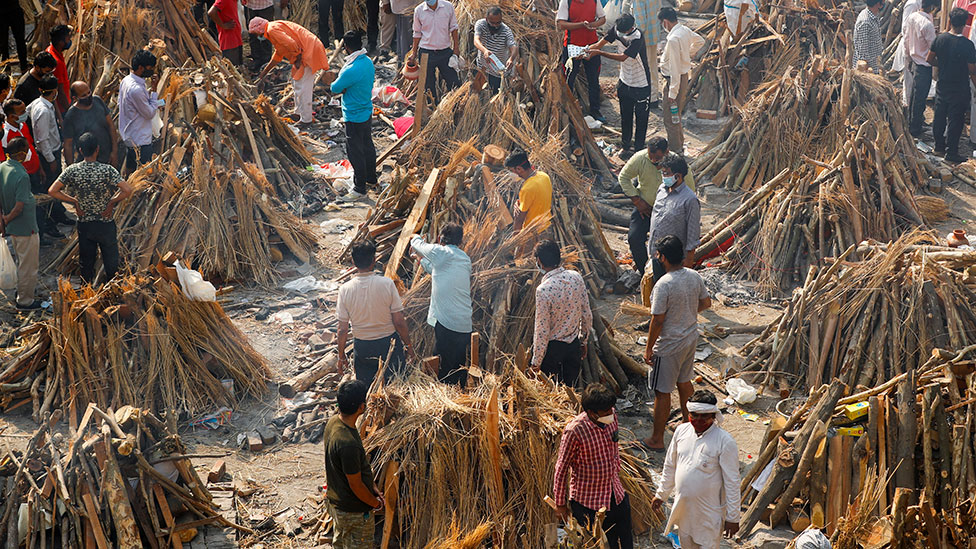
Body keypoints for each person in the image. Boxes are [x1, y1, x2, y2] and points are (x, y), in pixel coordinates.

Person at [641, 234, 710, 451]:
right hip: (690, 338)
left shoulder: (664, 284)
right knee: (684, 383)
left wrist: (649, 347)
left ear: (662, 257)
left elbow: (658, 320)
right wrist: (687, 313)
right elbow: (706, 303)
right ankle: (689, 428)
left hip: (669, 345)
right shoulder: (693, 276)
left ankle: (657, 439)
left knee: (662, 393)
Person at [653, 390, 740, 549]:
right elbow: (670, 465)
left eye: (704, 416)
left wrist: (733, 518)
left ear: (713, 416)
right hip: (684, 510)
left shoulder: (725, 441)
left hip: (709, 514)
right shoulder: (681, 431)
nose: (698, 420)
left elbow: (732, 482)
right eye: (694, 415)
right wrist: (661, 494)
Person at [553, 383, 633, 548]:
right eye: (606, 412)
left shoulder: (611, 417)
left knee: (624, 541)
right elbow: (561, 468)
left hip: (614, 493)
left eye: (612, 409)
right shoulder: (575, 431)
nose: (611, 413)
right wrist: (560, 505)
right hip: (588, 502)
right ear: (591, 413)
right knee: (594, 544)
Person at [49, 133, 132, 283]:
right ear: (97, 149)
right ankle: (112, 292)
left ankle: (86, 293)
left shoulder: (72, 170)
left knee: (86, 263)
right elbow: (127, 190)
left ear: (80, 150)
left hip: (85, 224)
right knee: (111, 262)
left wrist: (73, 200)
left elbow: (52, 191)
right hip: (105, 223)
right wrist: (111, 202)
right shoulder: (108, 170)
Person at [336, 240, 416, 385]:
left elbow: (342, 330)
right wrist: (408, 346)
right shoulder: (387, 284)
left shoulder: (345, 289)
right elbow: (399, 321)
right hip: (388, 345)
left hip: (362, 347)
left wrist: (341, 357)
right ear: (374, 260)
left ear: (353, 262)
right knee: (396, 388)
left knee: (367, 390)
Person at [620, 137, 697, 276]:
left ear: (666, 152)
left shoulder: (677, 163)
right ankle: (645, 272)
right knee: (634, 237)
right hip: (646, 208)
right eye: (651, 157)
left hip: (671, 213)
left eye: (657, 158)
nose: (654, 161)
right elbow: (623, 177)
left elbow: (689, 192)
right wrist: (637, 201)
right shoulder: (640, 158)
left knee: (669, 248)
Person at [409, 222, 473, 386]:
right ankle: (461, 395)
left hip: (447, 323)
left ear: (439, 239)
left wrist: (414, 237)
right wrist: (419, 260)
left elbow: (419, 245)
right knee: (459, 365)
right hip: (465, 324)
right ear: (460, 242)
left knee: (443, 365)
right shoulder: (464, 259)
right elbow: (438, 270)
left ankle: (445, 398)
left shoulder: (440, 251)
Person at [323, 379, 384, 548]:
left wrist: (372, 486)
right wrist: (375, 504)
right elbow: (356, 485)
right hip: (353, 511)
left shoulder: (334, 422)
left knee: (341, 543)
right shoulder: (347, 444)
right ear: (361, 408)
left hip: (338, 504)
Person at [586, 14, 651, 157]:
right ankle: (626, 146)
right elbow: (599, 44)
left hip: (641, 84)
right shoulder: (617, 29)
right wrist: (587, 50)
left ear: (631, 27)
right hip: (624, 82)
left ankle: (639, 151)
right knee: (625, 117)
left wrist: (599, 53)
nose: (620, 34)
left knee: (641, 121)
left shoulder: (637, 37)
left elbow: (623, 57)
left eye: (624, 32)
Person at [532, 239, 592, 385]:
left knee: (554, 396)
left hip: (553, 351)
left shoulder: (544, 290)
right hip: (573, 346)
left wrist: (536, 361)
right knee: (571, 390)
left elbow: (542, 330)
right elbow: (587, 314)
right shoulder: (576, 277)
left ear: (539, 261)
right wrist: (584, 341)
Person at [250, 17, 330, 125]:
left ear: (259, 28)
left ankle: (306, 120)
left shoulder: (271, 29)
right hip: (305, 50)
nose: (256, 36)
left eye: (255, 33)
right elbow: (278, 55)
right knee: (297, 83)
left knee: (304, 87)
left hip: (308, 50)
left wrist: (297, 58)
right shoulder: (272, 29)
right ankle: (298, 113)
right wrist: (263, 73)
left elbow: (291, 43)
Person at [330, 31, 377, 202]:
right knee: (367, 146)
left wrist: (341, 86)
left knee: (355, 151)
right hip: (366, 110)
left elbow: (335, 87)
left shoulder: (351, 69)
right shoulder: (367, 62)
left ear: (346, 47)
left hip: (353, 114)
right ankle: (371, 179)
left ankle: (359, 188)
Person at [2, 99, 59, 241]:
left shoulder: (23, 126)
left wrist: (40, 168)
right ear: (11, 116)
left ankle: (41, 233)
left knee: (39, 206)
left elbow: (31, 147)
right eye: (21, 112)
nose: (25, 114)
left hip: (34, 172)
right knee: (27, 208)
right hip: (22, 178)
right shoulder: (5, 135)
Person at [928, 7, 976, 163]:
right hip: (960, 88)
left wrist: (942, 64)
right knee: (956, 120)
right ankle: (952, 152)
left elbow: (929, 59)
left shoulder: (940, 39)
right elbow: (972, 70)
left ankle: (938, 147)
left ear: (949, 21)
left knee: (940, 116)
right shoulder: (967, 45)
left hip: (943, 84)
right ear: (964, 24)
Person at [645, 154, 699, 282]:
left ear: (678, 176)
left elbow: (693, 233)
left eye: (667, 173)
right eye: (662, 173)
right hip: (656, 253)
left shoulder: (690, 199)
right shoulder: (661, 190)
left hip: (674, 260)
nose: (664, 176)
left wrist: (688, 261)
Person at [0, 138, 41, 309]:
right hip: (26, 227)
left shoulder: (2, 167)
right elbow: (19, 206)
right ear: (22, 153)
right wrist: (8, 218)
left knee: (21, 261)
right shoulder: (22, 175)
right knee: (28, 267)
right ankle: (25, 300)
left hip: (13, 228)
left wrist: (4, 222)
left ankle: (22, 291)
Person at [659, 7, 703, 154]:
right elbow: (700, 41)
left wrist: (672, 93)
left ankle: (675, 150)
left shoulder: (673, 39)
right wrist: (686, 55)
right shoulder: (683, 30)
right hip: (683, 77)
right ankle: (679, 145)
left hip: (674, 80)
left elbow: (675, 70)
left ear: (665, 22)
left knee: (670, 119)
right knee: (675, 116)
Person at [557, 0, 606, 121]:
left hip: (591, 45)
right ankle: (567, 111)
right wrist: (581, 25)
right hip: (572, 44)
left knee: (593, 79)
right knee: (569, 79)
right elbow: (561, 24)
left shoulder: (594, 1)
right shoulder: (567, 2)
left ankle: (595, 111)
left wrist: (593, 25)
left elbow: (602, 18)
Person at [408, 0, 461, 102]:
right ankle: (432, 110)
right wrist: (414, 53)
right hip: (426, 53)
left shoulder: (447, 7)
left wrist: (456, 48)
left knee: (453, 82)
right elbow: (417, 33)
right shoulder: (419, 10)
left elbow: (454, 28)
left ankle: (455, 107)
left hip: (445, 51)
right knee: (428, 85)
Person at [118, 50, 161, 172]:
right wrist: (154, 90)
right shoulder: (136, 89)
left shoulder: (126, 81)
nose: (152, 70)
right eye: (150, 68)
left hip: (131, 137)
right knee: (144, 175)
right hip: (140, 140)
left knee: (131, 171)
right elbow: (149, 114)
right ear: (141, 68)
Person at [63, 81, 120, 166]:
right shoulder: (71, 116)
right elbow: (68, 144)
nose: (88, 96)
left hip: (107, 157)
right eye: (83, 95)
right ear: (75, 98)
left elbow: (111, 126)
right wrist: (71, 168)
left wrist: (114, 152)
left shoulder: (97, 101)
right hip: (86, 163)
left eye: (89, 92)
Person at [906, 0, 939, 137]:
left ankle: (912, 123)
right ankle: (915, 129)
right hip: (924, 65)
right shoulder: (927, 25)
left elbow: (906, 39)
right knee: (920, 98)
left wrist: (908, 57)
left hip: (914, 60)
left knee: (915, 96)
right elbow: (934, 47)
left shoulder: (912, 17)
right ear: (931, 7)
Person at [504, 150, 552, 234]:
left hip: (532, 232)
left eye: (511, 171)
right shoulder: (544, 176)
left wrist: (515, 239)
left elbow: (519, 219)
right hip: (546, 226)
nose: (510, 174)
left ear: (519, 168)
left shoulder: (527, 188)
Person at [473, 7, 518, 93]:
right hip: (482, 67)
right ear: (487, 19)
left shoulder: (506, 31)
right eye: (492, 23)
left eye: (498, 23)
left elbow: (514, 47)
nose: (495, 26)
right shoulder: (480, 24)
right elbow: (476, 40)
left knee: (495, 94)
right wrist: (485, 50)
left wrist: (511, 58)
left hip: (497, 72)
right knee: (477, 92)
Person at [630, 0, 663, 108]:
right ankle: (653, 97)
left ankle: (647, 97)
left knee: (644, 68)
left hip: (643, 39)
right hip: (653, 35)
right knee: (652, 66)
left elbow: (641, 23)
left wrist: (632, 38)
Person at [895, 0, 922, 108]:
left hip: (917, 46)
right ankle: (908, 110)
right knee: (909, 83)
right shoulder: (912, 4)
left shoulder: (920, 4)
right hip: (910, 46)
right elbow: (905, 29)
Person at [45, 24, 73, 113]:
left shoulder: (51, 50)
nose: (69, 41)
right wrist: (68, 111)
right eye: (68, 39)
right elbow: (60, 92)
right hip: (62, 108)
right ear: (61, 42)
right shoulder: (56, 63)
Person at [209, 0, 244, 66]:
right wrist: (223, 25)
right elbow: (211, 12)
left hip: (236, 36)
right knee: (232, 67)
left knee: (238, 66)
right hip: (229, 40)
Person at [853, 0, 884, 73]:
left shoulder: (873, 16)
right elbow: (862, 53)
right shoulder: (865, 22)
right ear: (878, 4)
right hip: (867, 69)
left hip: (874, 66)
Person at [244, 0, 275, 70]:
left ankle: (266, 61)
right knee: (252, 34)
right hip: (250, 6)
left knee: (266, 34)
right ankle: (256, 59)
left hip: (265, 6)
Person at [0, 2, 28, 73]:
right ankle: (6, 70)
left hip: (15, 10)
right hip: (2, 13)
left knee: (20, 41)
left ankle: (24, 68)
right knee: (3, 43)